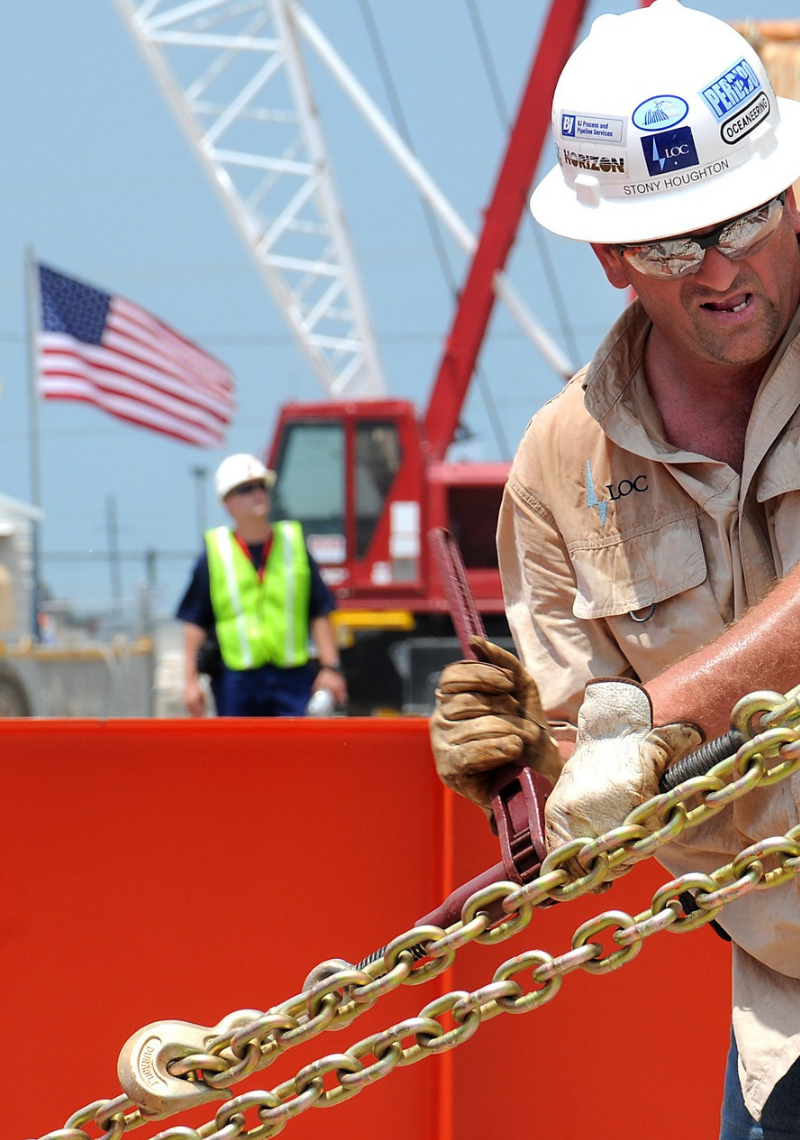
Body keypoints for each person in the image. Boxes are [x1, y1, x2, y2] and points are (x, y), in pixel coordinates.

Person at [429, 2, 800, 1135]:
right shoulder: (559, 464)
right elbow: (590, 762)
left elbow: (636, 726)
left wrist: (654, 717)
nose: (720, 270)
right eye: (671, 244)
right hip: (783, 1008)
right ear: (606, 257)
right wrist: (519, 764)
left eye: (743, 220)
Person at [176, 452, 347, 717]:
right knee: (239, 756)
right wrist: (190, 683)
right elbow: (195, 623)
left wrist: (331, 668)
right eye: (245, 489)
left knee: (295, 754)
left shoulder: (294, 544)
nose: (257, 493)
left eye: (261, 486)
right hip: (236, 680)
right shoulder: (215, 553)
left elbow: (319, 609)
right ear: (227, 502)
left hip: (291, 678)